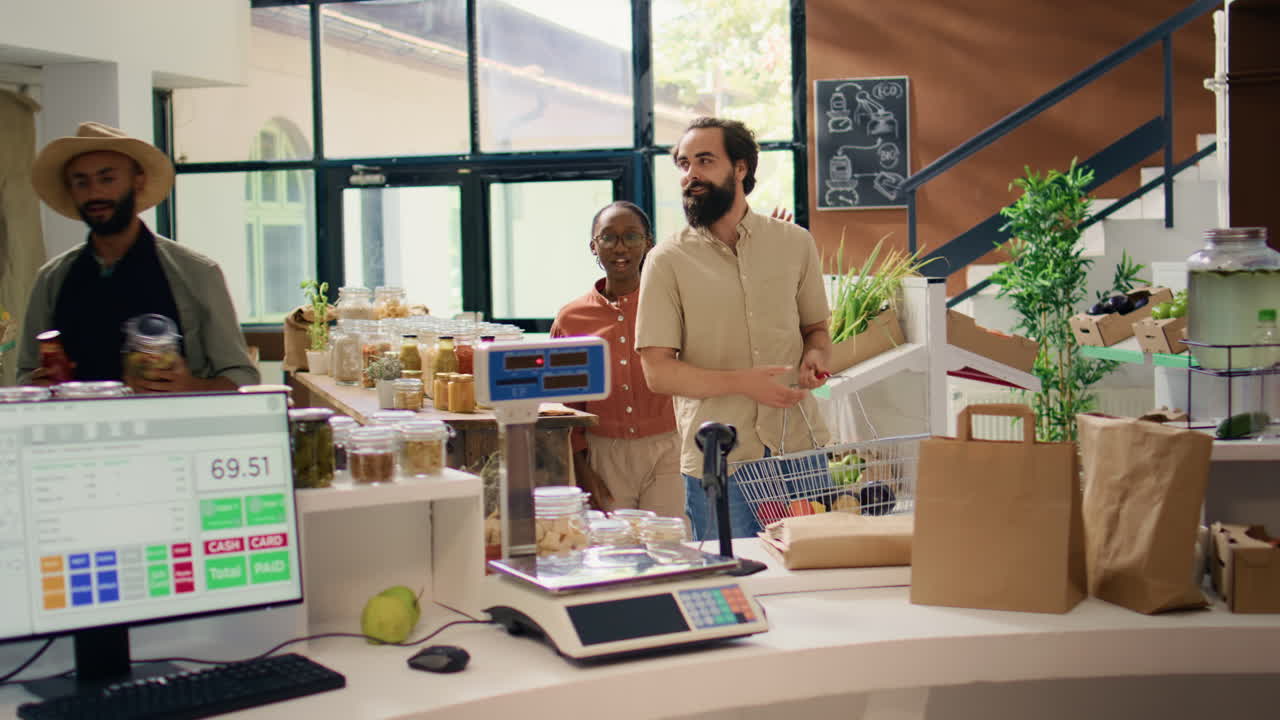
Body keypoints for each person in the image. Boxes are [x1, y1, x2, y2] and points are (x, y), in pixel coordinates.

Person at [636, 116, 831, 540]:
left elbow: (816, 328)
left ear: (741, 168)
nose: (691, 175)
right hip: (719, 460)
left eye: (705, 161)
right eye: (684, 164)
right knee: (731, 583)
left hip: (800, 447)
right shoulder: (666, 261)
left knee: (816, 581)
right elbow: (658, 372)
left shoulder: (795, 243)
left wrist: (816, 354)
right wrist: (744, 383)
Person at [17, 122, 259, 391]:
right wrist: (37, 384)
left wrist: (189, 386)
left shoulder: (196, 272)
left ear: (138, 181)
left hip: (173, 430)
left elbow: (242, 376)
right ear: (71, 190)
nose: (94, 193)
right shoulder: (52, 279)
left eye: (107, 179)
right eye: (81, 182)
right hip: (78, 431)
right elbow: (26, 373)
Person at [550, 201, 683, 519]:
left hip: (669, 448)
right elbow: (562, 408)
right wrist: (583, 472)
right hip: (603, 453)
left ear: (649, 243)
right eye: (608, 237)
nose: (620, 247)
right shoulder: (571, 319)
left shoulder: (673, 304)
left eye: (632, 237)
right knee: (614, 554)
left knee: (667, 549)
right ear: (593, 247)